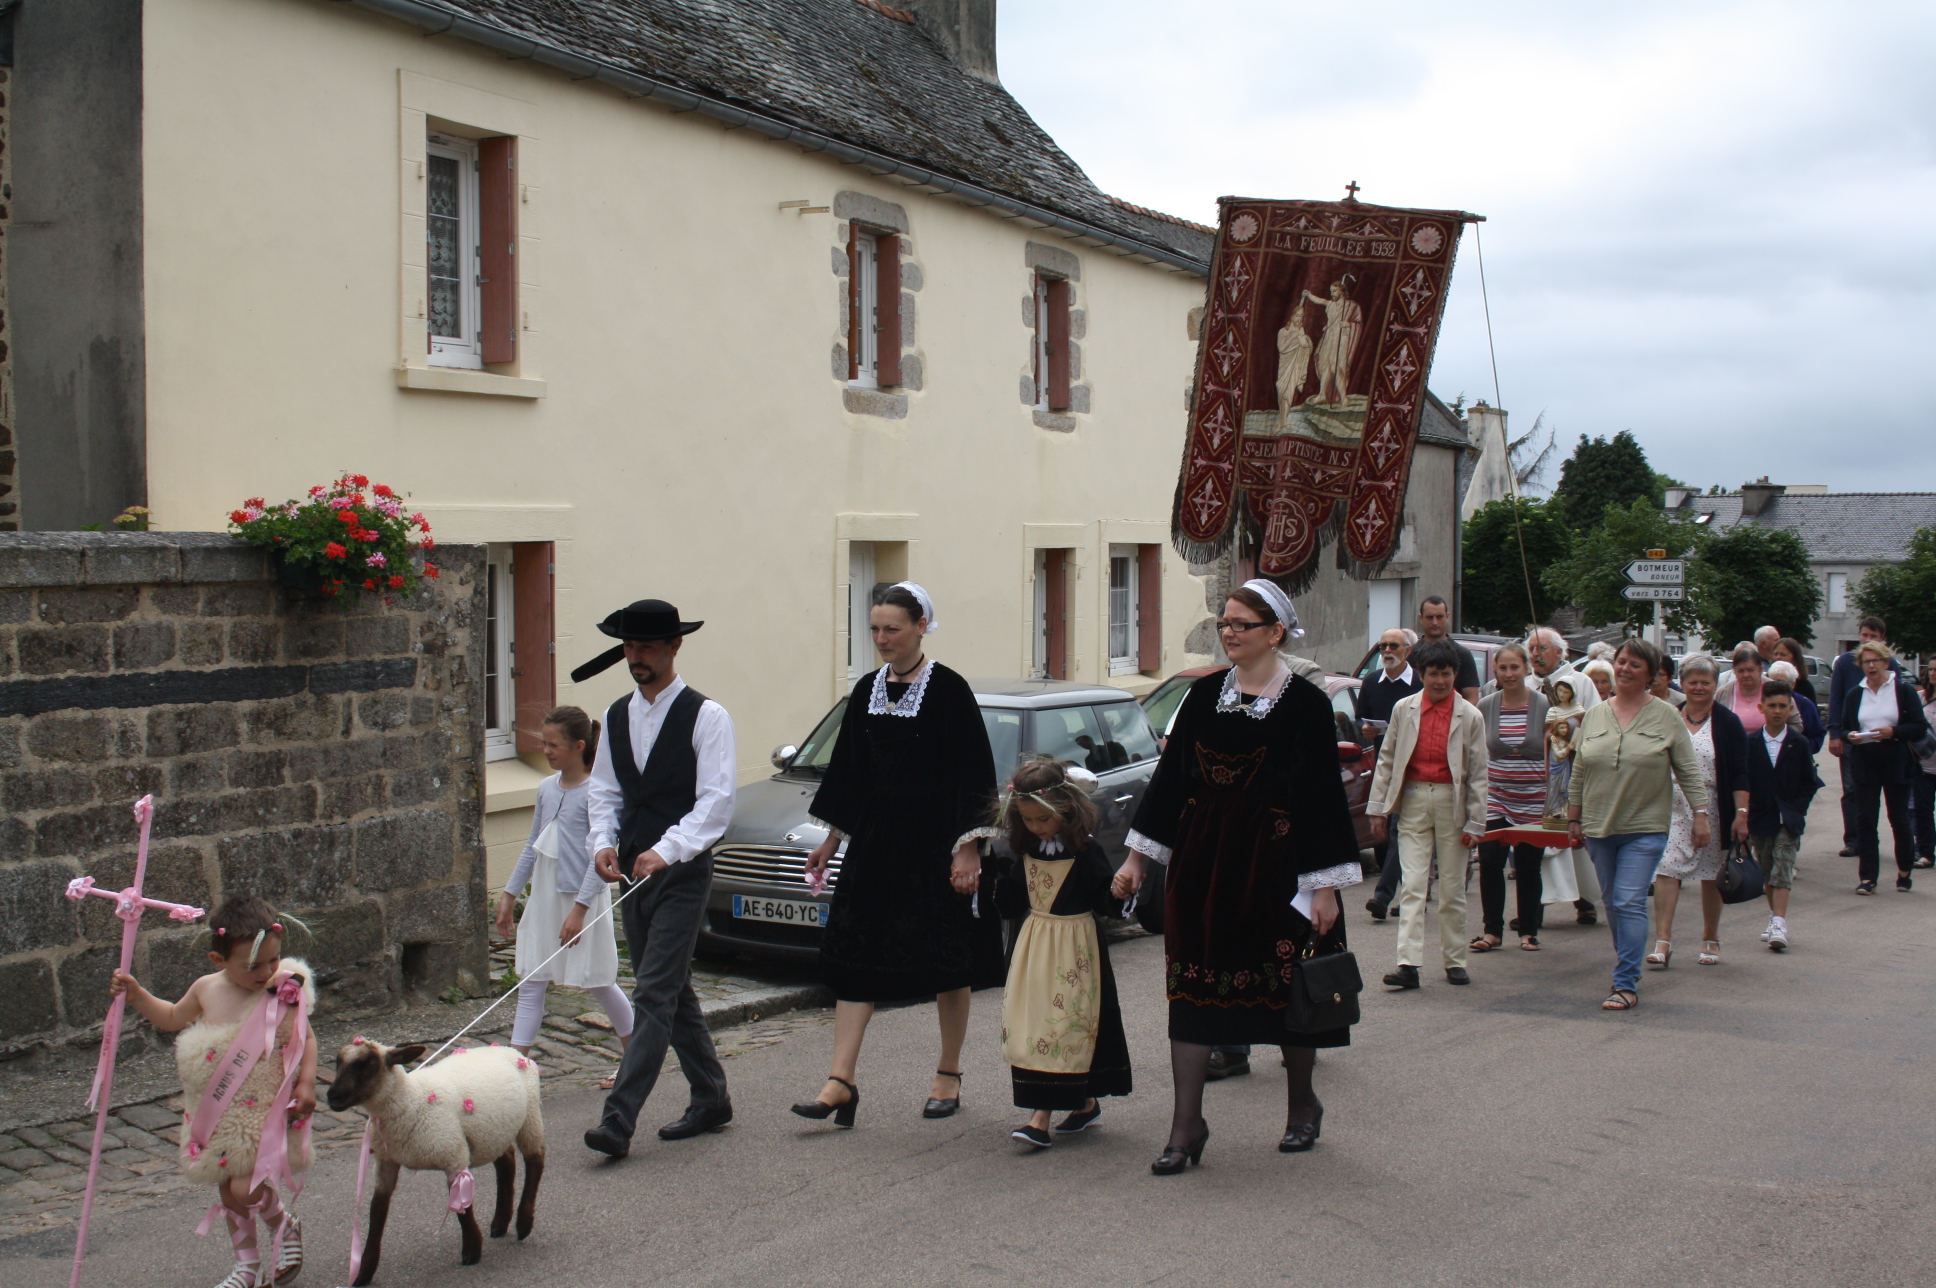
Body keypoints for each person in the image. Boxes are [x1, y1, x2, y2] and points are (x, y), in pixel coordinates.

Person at [1116, 579, 1361, 1173]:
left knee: (1287, 988)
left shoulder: (1305, 704)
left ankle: (1301, 1106)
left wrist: (1324, 885)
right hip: (1204, 869)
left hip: (1281, 869)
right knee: (1193, 991)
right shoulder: (1201, 700)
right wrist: (1136, 859)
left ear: (1274, 632)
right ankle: (1185, 1127)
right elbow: (1171, 782)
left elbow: (1322, 799)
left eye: (1239, 624)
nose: (1227, 632)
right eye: (1223, 623)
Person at [794, 583, 1002, 1128]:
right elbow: (850, 773)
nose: (882, 638)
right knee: (855, 954)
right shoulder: (866, 690)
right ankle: (840, 1080)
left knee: (945, 959)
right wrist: (832, 840)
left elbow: (974, 773)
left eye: (892, 628)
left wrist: (969, 850)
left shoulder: (950, 690)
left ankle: (948, 1073)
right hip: (876, 845)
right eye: (875, 629)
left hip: (935, 845)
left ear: (921, 627)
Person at [580, 599, 738, 1158]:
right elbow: (604, 790)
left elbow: (715, 804)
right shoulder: (618, 714)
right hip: (632, 874)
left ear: (675, 647)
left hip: (684, 871)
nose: (636, 657)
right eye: (629, 647)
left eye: (647, 647)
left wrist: (667, 851)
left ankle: (618, 1121)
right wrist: (603, 843)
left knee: (651, 992)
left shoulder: (706, 716)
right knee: (671, 987)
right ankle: (711, 1095)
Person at [111, 897, 317, 1288]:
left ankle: (284, 1225)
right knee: (229, 1190)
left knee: (245, 1186)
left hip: (265, 1109)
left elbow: (307, 1039)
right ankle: (248, 1266)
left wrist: (305, 1083)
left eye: (273, 961)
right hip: (221, 1111)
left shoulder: (281, 989)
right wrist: (137, 995)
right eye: (252, 966)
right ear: (218, 961)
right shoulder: (206, 989)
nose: (266, 972)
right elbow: (172, 1018)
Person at [980, 758, 1132, 1149]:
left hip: (1076, 946)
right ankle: (1083, 1102)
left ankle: (1039, 1118)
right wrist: (993, 879)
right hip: (1035, 946)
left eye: (1042, 820)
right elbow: (1013, 903)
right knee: (1036, 1022)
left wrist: (1118, 893)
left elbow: (1103, 900)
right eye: (1028, 820)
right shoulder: (1024, 851)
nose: (1036, 828)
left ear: (1066, 811)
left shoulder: (1086, 852)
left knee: (1065, 1024)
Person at [493, 706, 634, 1087]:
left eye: (553, 744)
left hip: (581, 897)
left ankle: (635, 1059)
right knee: (532, 978)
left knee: (600, 979)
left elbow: (600, 857)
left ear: (578, 746)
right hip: (545, 895)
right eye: (543, 743)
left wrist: (579, 911)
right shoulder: (545, 788)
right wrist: (509, 895)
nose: (546, 751)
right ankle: (513, 1073)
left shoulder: (598, 793)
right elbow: (531, 846)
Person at [1566, 639, 1708, 1011]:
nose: (1625, 669)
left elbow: (1688, 770)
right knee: (1612, 902)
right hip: (1598, 826)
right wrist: (1573, 818)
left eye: (1634, 664)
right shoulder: (1595, 715)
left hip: (1645, 826)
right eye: (1621, 662)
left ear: (1650, 674)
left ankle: (1625, 981)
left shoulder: (1666, 716)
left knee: (1629, 900)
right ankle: (1627, 961)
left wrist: (1701, 815)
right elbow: (1579, 768)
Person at [1366, 639, 1489, 989]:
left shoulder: (1470, 716)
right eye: (1433, 674)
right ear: (1421, 675)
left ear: (1455, 675)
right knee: (1414, 884)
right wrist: (1378, 808)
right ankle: (1408, 962)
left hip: (1454, 801)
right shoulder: (1404, 709)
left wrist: (1476, 822)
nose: (1440, 682)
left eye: (1446, 675)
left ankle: (1454, 960)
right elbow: (1387, 759)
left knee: (1452, 887)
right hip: (1415, 799)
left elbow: (1479, 772)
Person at [1646, 654, 1747, 969]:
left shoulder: (1728, 722)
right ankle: (1663, 941)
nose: (1699, 688)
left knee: (1711, 874)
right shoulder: (1668, 715)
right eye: (1693, 682)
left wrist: (1742, 812)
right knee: (1667, 868)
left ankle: (1710, 937)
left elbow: (1742, 771)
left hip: (1714, 805)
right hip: (1671, 804)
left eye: (1706, 682)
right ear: (1683, 684)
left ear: (1716, 686)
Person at [1473, 643, 1549, 952]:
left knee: (1528, 865)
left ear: (1527, 668)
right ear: (1496, 672)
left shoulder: (1546, 704)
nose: (1509, 674)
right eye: (1503, 668)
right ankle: (1492, 931)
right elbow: (1476, 750)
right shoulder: (1486, 705)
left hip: (1534, 796)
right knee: (1490, 861)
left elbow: (1563, 745)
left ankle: (1528, 931)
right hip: (1496, 794)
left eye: (1515, 667)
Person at [1843, 640, 1930, 894]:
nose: (1871, 666)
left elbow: (1919, 726)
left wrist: (1893, 731)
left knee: (1899, 818)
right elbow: (1845, 726)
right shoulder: (1855, 694)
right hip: (1865, 760)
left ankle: (1904, 871)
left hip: (1896, 758)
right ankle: (1868, 877)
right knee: (1866, 819)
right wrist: (1851, 736)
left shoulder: (1903, 691)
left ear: (1886, 662)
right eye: (1866, 662)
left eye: (1875, 661)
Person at [1747, 679, 1820, 951]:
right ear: (1761, 707)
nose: (1778, 711)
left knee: (1783, 866)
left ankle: (1780, 922)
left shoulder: (1798, 743)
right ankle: (1773, 917)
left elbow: (1808, 781)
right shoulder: (1751, 743)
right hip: (1761, 816)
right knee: (1767, 869)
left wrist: (1797, 808)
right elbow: (1745, 781)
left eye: (1783, 706)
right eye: (1772, 705)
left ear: (1790, 708)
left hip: (1788, 818)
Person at [1361, 626, 1422, 922]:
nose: (1387, 651)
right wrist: (1367, 730)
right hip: (1383, 764)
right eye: (1383, 646)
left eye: (1394, 646)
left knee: (1399, 831)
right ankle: (1411, 892)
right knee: (1390, 834)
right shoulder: (1371, 682)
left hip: (1414, 768)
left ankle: (1383, 896)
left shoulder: (1421, 683)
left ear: (1407, 651)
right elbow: (1364, 722)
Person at [1828, 617, 1899, 857]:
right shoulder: (1845, 663)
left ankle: (1890, 839)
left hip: (1885, 743)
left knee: (1887, 794)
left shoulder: (1892, 665)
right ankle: (1854, 839)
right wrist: (1835, 733)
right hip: (1853, 738)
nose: (1868, 640)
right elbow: (1835, 698)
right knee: (1852, 789)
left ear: (1882, 641)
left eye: (1874, 636)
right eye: (1865, 635)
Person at [1416, 595, 1480, 702]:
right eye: (1430, 617)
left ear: (1447, 617)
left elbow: (1472, 697)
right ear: (1420, 618)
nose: (1435, 622)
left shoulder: (1463, 655)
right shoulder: (1411, 654)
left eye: (1440, 617)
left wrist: (1459, 718)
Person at [1767, 660, 1825, 752]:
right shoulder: (1761, 701)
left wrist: (1799, 748)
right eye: (1771, 681)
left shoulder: (1805, 704)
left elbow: (1817, 736)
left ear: (1792, 684)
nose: (1775, 686)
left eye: (1780, 682)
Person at [1917, 674, 1936, 870]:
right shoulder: (1920, 698)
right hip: (1924, 766)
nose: (1933, 673)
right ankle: (1925, 853)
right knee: (1923, 811)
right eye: (1931, 669)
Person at [1771, 637, 1819, 704]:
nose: (1778, 657)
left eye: (1783, 654)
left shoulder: (1805, 686)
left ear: (1795, 658)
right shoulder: (1766, 681)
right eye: (1775, 654)